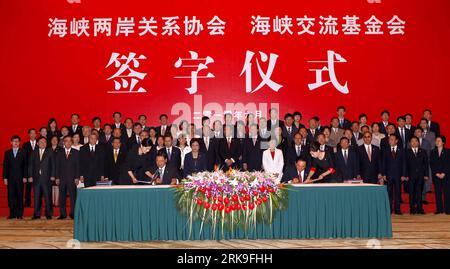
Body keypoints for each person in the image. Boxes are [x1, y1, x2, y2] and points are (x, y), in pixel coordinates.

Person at [28, 137, 54, 219]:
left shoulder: (50, 152)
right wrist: (30, 176)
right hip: (36, 178)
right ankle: (36, 214)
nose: (43, 143)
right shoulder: (34, 152)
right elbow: (30, 165)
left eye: (44, 142)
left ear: (46, 143)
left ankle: (49, 214)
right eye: (41, 142)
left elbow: (53, 165)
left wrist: (53, 175)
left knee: (48, 197)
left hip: (47, 178)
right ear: (37, 143)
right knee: (37, 197)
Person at [381, 134, 407, 215]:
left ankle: (397, 209)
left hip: (398, 175)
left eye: (392, 139)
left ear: (396, 141)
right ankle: (389, 209)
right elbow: (383, 163)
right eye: (389, 139)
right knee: (389, 193)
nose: (390, 141)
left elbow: (404, 163)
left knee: (398, 192)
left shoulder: (401, 150)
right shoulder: (385, 150)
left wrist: (403, 175)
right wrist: (384, 174)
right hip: (388, 175)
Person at [55, 135, 79, 219]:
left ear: (72, 142)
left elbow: (78, 166)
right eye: (66, 141)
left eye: (69, 141)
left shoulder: (76, 152)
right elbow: (57, 166)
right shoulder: (59, 153)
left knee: (73, 197)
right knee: (62, 197)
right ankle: (63, 214)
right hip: (62, 178)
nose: (68, 142)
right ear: (63, 142)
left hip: (72, 178)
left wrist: (77, 177)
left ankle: (73, 213)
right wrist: (57, 177)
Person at [3, 135, 27, 219]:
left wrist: (25, 176)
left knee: (20, 195)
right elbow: (5, 166)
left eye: (17, 141)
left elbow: (25, 165)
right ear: (11, 142)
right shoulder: (7, 152)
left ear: (19, 142)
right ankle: (12, 214)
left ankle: (20, 214)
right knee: (11, 196)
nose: (16, 143)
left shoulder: (23, 152)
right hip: (10, 178)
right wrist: (5, 178)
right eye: (14, 141)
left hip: (20, 178)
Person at [405, 136, 429, 214]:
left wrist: (426, 174)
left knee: (419, 192)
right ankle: (412, 208)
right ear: (410, 143)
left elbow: (426, 164)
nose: (414, 142)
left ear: (418, 143)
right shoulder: (407, 152)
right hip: (410, 176)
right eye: (412, 141)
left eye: (416, 141)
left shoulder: (423, 151)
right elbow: (405, 165)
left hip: (420, 175)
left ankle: (420, 208)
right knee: (411, 192)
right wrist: (406, 175)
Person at [429, 136, 449, 214]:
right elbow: (432, 163)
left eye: (439, 141)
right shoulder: (433, 151)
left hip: (446, 175)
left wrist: (444, 173)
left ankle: (448, 209)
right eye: (436, 141)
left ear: (443, 142)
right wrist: (436, 173)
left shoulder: (448, 151)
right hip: (436, 175)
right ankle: (439, 209)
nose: (437, 142)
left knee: (447, 193)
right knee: (438, 193)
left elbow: (448, 164)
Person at [22, 128, 38, 208]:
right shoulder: (25, 145)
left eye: (34, 133)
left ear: (36, 134)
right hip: (29, 169)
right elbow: (24, 159)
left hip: (38, 169)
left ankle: (38, 203)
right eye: (31, 133)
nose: (32, 135)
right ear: (29, 134)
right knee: (28, 188)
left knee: (38, 187)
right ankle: (27, 202)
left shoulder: (40, 143)